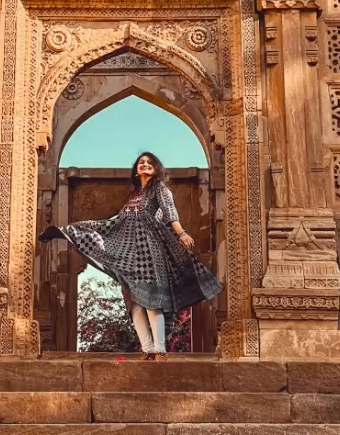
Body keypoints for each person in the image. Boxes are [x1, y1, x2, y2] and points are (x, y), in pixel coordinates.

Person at [40, 152, 222, 358]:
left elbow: (169, 211)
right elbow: (118, 221)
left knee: (152, 299)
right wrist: (79, 230)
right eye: (141, 162)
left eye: (149, 162)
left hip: (150, 252)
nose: (145, 164)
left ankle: (160, 350)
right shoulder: (134, 195)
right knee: (134, 302)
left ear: (156, 168)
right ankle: (148, 350)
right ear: (136, 170)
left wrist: (181, 233)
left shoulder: (159, 189)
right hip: (130, 254)